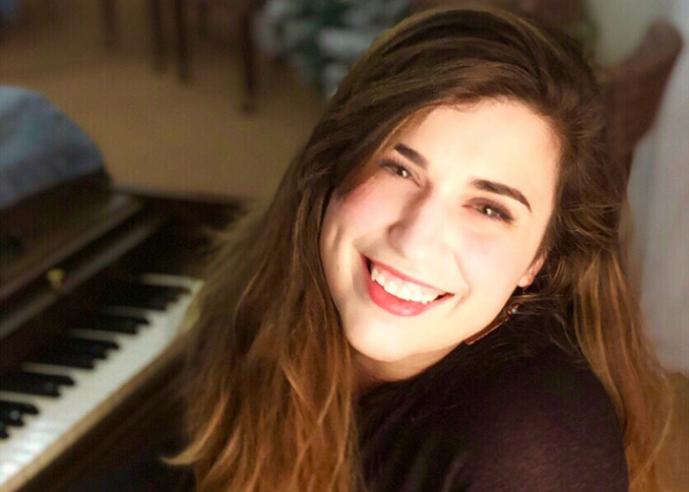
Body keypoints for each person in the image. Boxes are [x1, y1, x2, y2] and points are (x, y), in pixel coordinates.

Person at [172, 6, 672, 491]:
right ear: (335, 163)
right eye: (399, 169)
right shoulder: (265, 284)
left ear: (538, 260)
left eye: (490, 209)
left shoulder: (531, 449)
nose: (416, 239)